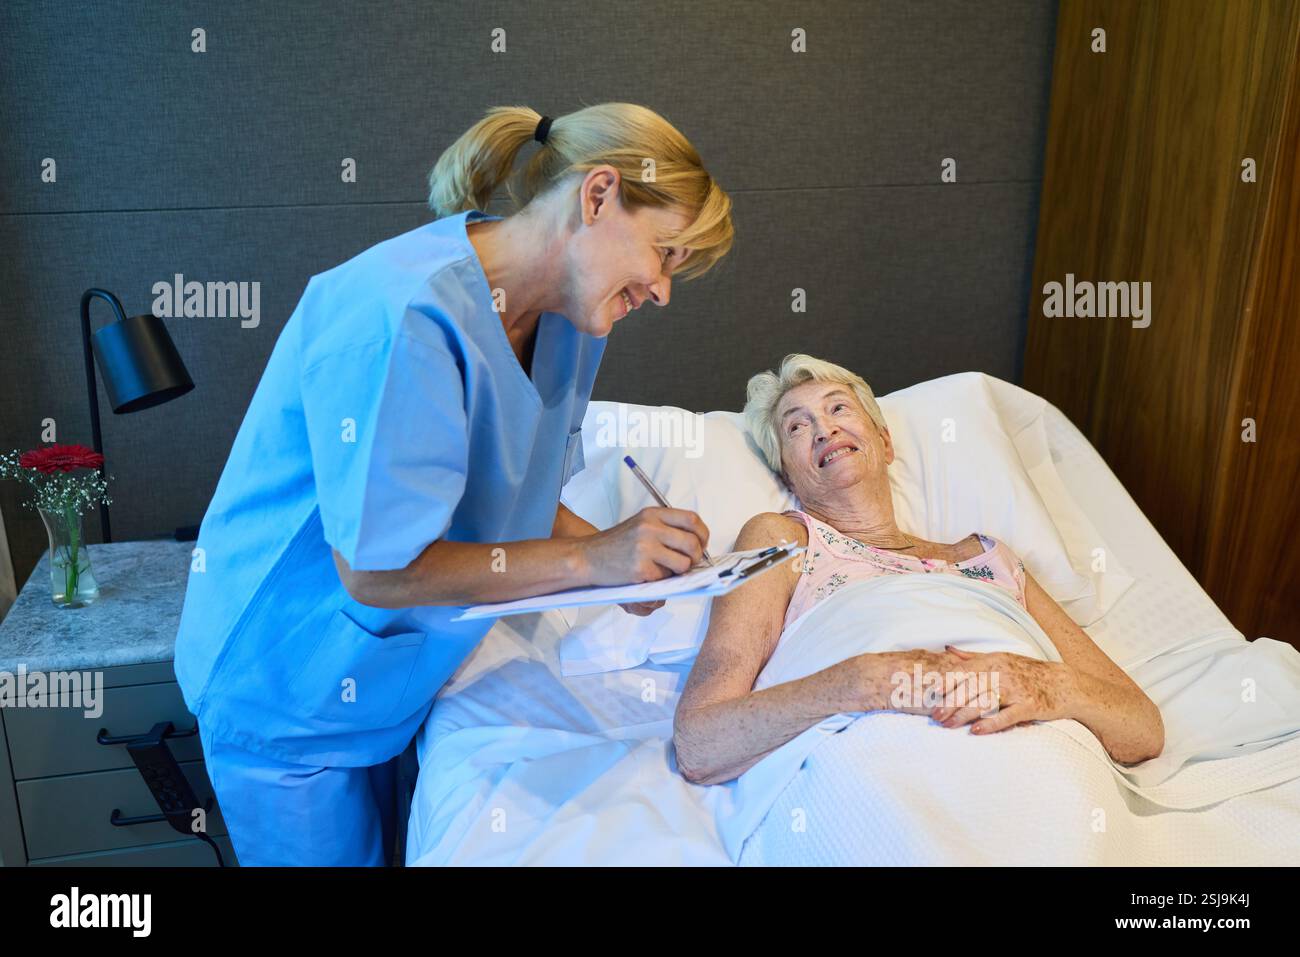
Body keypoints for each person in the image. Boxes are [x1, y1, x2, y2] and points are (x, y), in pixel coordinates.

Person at [173, 103, 734, 865]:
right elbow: (376, 567)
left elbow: (514, 492)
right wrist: (591, 561)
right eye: (665, 253)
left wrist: (617, 555)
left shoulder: (567, 319)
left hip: (393, 684)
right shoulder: (403, 314)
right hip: (287, 690)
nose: (664, 289)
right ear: (597, 195)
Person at [673, 354, 1163, 786]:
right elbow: (700, 744)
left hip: (1044, 763)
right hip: (876, 766)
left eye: (838, 408)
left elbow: (1140, 726)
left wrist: (1040, 682)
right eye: (797, 427)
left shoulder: (988, 558)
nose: (824, 429)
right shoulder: (782, 539)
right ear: (787, 474)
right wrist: (864, 680)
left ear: (885, 443)